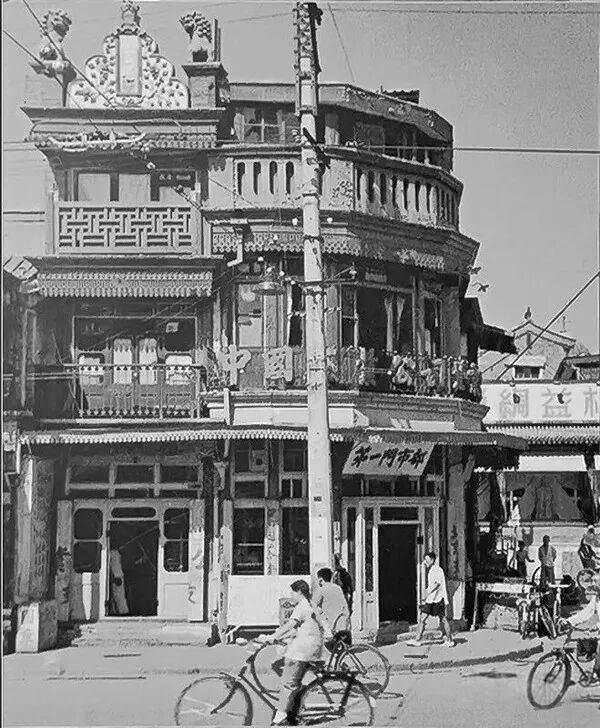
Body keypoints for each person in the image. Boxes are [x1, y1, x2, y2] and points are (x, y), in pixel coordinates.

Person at [263, 580, 325, 726]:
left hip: (301, 651)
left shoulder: (301, 606)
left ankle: (280, 717)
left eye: (293, 592)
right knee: (293, 679)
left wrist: (273, 636)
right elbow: (302, 627)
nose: (291, 595)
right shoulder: (312, 605)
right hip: (313, 649)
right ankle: (294, 708)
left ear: (299, 592)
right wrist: (280, 637)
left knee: (287, 683)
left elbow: (291, 624)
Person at [407, 552, 455, 647]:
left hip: (437, 599)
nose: (425, 562)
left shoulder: (436, 570)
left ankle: (449, 640)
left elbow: (436, 584)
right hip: (431, 600)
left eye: (427, 560)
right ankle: (417, 640)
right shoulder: (432, 570)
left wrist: (426, 593)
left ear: (432, 560)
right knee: (423, 618)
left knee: (443, 619)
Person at [314, 567, 350, 639]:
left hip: (331, 627)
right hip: (344, 623)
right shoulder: (338, 588)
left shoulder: (321, 590)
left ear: (320, 579)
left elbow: (312, 606)